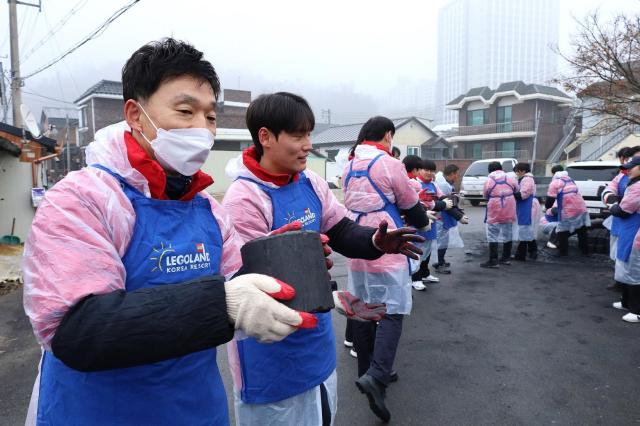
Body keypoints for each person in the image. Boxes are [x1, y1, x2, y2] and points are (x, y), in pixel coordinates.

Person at [21, 39, 317, 426]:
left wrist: (282, 265)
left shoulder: (207, 208)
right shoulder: (83, 199)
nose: (201, 128)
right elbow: (78, 330)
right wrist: (223, 303)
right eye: (184, 111)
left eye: (210, 117)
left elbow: (238, 286)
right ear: (135, 114)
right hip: (95, 413)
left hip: (196, 409)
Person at [222, 94, 424, 425]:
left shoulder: (311, 182)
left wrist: (375, 241)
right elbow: (245, 289)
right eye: (298, 135)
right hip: (270, 361)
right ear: (265, 137)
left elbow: (341, 228)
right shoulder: (244, 199)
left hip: (315, 347)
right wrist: (325, 292)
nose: (307, 145)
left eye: (309, 134)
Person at [342, 116, 430, 422]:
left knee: (365, 308)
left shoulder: (349, 165)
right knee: (392, 311)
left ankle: (367, 371)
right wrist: (424, 222)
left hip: (357, 242)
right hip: (388, 241)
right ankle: (377, 376)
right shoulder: (389, 163)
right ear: (388, 135)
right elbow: (411, 204)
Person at [405, 157, 453, 290]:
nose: (429, 173)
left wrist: (450, 204)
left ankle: (425, 273)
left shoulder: (434, 184)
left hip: (432, 222)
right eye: (426, 170)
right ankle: (415, 278)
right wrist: (439, 205)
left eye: (432, 170)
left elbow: (442, 197)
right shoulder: (413, 183)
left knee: (428, 249)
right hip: (418, 222)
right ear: (419, 170)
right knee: (417, 250)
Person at [608, 155, 640, 323]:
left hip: (635, 231)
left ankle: (637, 310)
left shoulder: (637, 186)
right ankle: (627, 302)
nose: (628, 170)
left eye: (632, 167)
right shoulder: (634, 183)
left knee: (634, 269)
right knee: (627, 265)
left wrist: (611, 205)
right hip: (630, 229)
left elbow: (623, 211)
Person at [545, 165, 590, 256]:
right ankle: (585, 251)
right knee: (581, 228)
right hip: (581, 207)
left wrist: (547, 208)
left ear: (553, 174)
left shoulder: (555, 182)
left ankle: (563, 252)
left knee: (562, 230)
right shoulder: (570, 180)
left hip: (568, 210)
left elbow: (550, 199)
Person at [481, 161, 518, 268]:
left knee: (492, 233)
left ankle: (493, 260)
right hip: (509, 205)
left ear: (489, 170)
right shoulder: (510, 177)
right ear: (501, 168)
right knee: (508, 232)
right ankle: (506, 258)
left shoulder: (489, 179)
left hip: (495, 206)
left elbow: (485, 194)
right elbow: (516, 189)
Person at [432, 164, 468, 273]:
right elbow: (448, 205)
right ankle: (438, 263)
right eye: (457, 174)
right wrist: (459, 216)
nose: (457, 177)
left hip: (442, 216)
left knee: (443, 240)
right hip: (440, 217)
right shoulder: (443, 185)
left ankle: (441, 260)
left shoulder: (444, 183)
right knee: (441, 241)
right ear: (452, 174)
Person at [513, 162, 540, 261]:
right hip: (527, 205)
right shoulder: (526, 179)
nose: (517, 174)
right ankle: (533, 251)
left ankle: (521, 254)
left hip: (528, 205)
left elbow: (524, 194)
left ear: (522, 171)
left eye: (517, 172)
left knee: (524, 229)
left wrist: (511, 194)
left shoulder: (527, 179)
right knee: (527, 229)